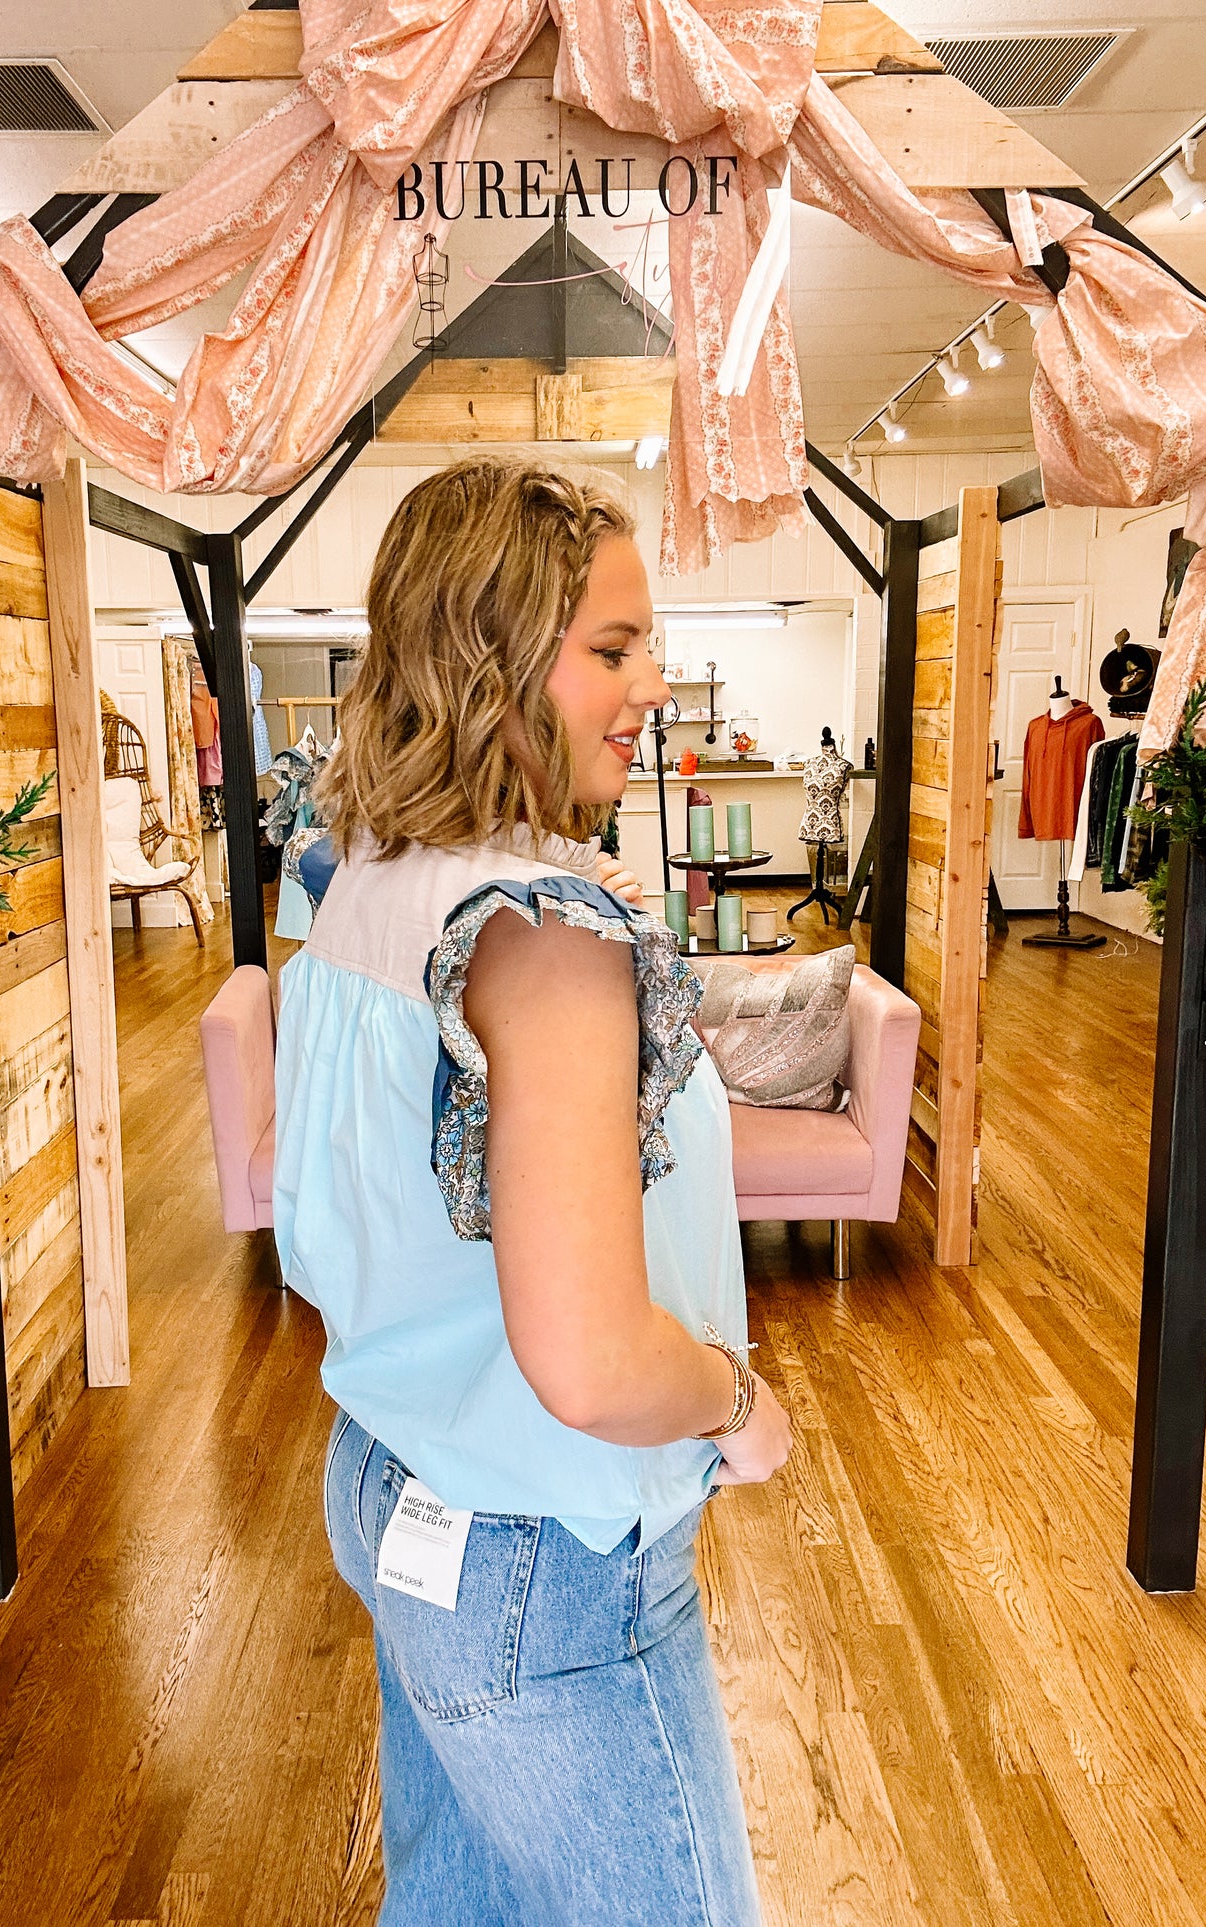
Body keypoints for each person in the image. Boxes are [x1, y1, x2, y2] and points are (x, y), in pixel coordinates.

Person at [273, 457, 792, 1925]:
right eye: (612, 650)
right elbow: (586, 1360)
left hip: (392, 1484)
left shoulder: (355, 881)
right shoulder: (546, 940)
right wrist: (737, 1403)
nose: (651, 685)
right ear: (493, 662)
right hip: (539, 1552)